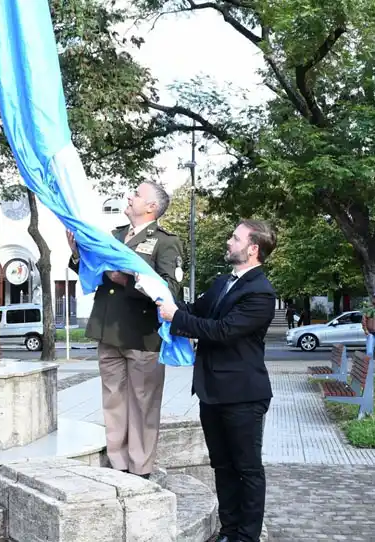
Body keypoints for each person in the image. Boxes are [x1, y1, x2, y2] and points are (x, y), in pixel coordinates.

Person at [157, 219, 277, 542]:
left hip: (242, 396)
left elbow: (223, 331)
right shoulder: (224, 282)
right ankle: (229, 530)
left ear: (253, 249)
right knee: (222, 466)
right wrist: (161, 297)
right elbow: (195, 310)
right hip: (212, 393)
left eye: (234, 238)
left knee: (247, 469)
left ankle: (246, 536)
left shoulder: (261, 293)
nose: (228, 241)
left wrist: (177, 318)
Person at [67, 181, 184, 479]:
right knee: (113, 399)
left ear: (151, 207)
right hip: (108, 329)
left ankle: (141, 467)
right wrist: (78, 255)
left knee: (143, 402)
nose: (129, 197)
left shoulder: (165, 242)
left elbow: (170, 288)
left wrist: (129, 282)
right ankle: (118, 463)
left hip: (142, 334)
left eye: (136, 195)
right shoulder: (116, 235)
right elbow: (94, 271)